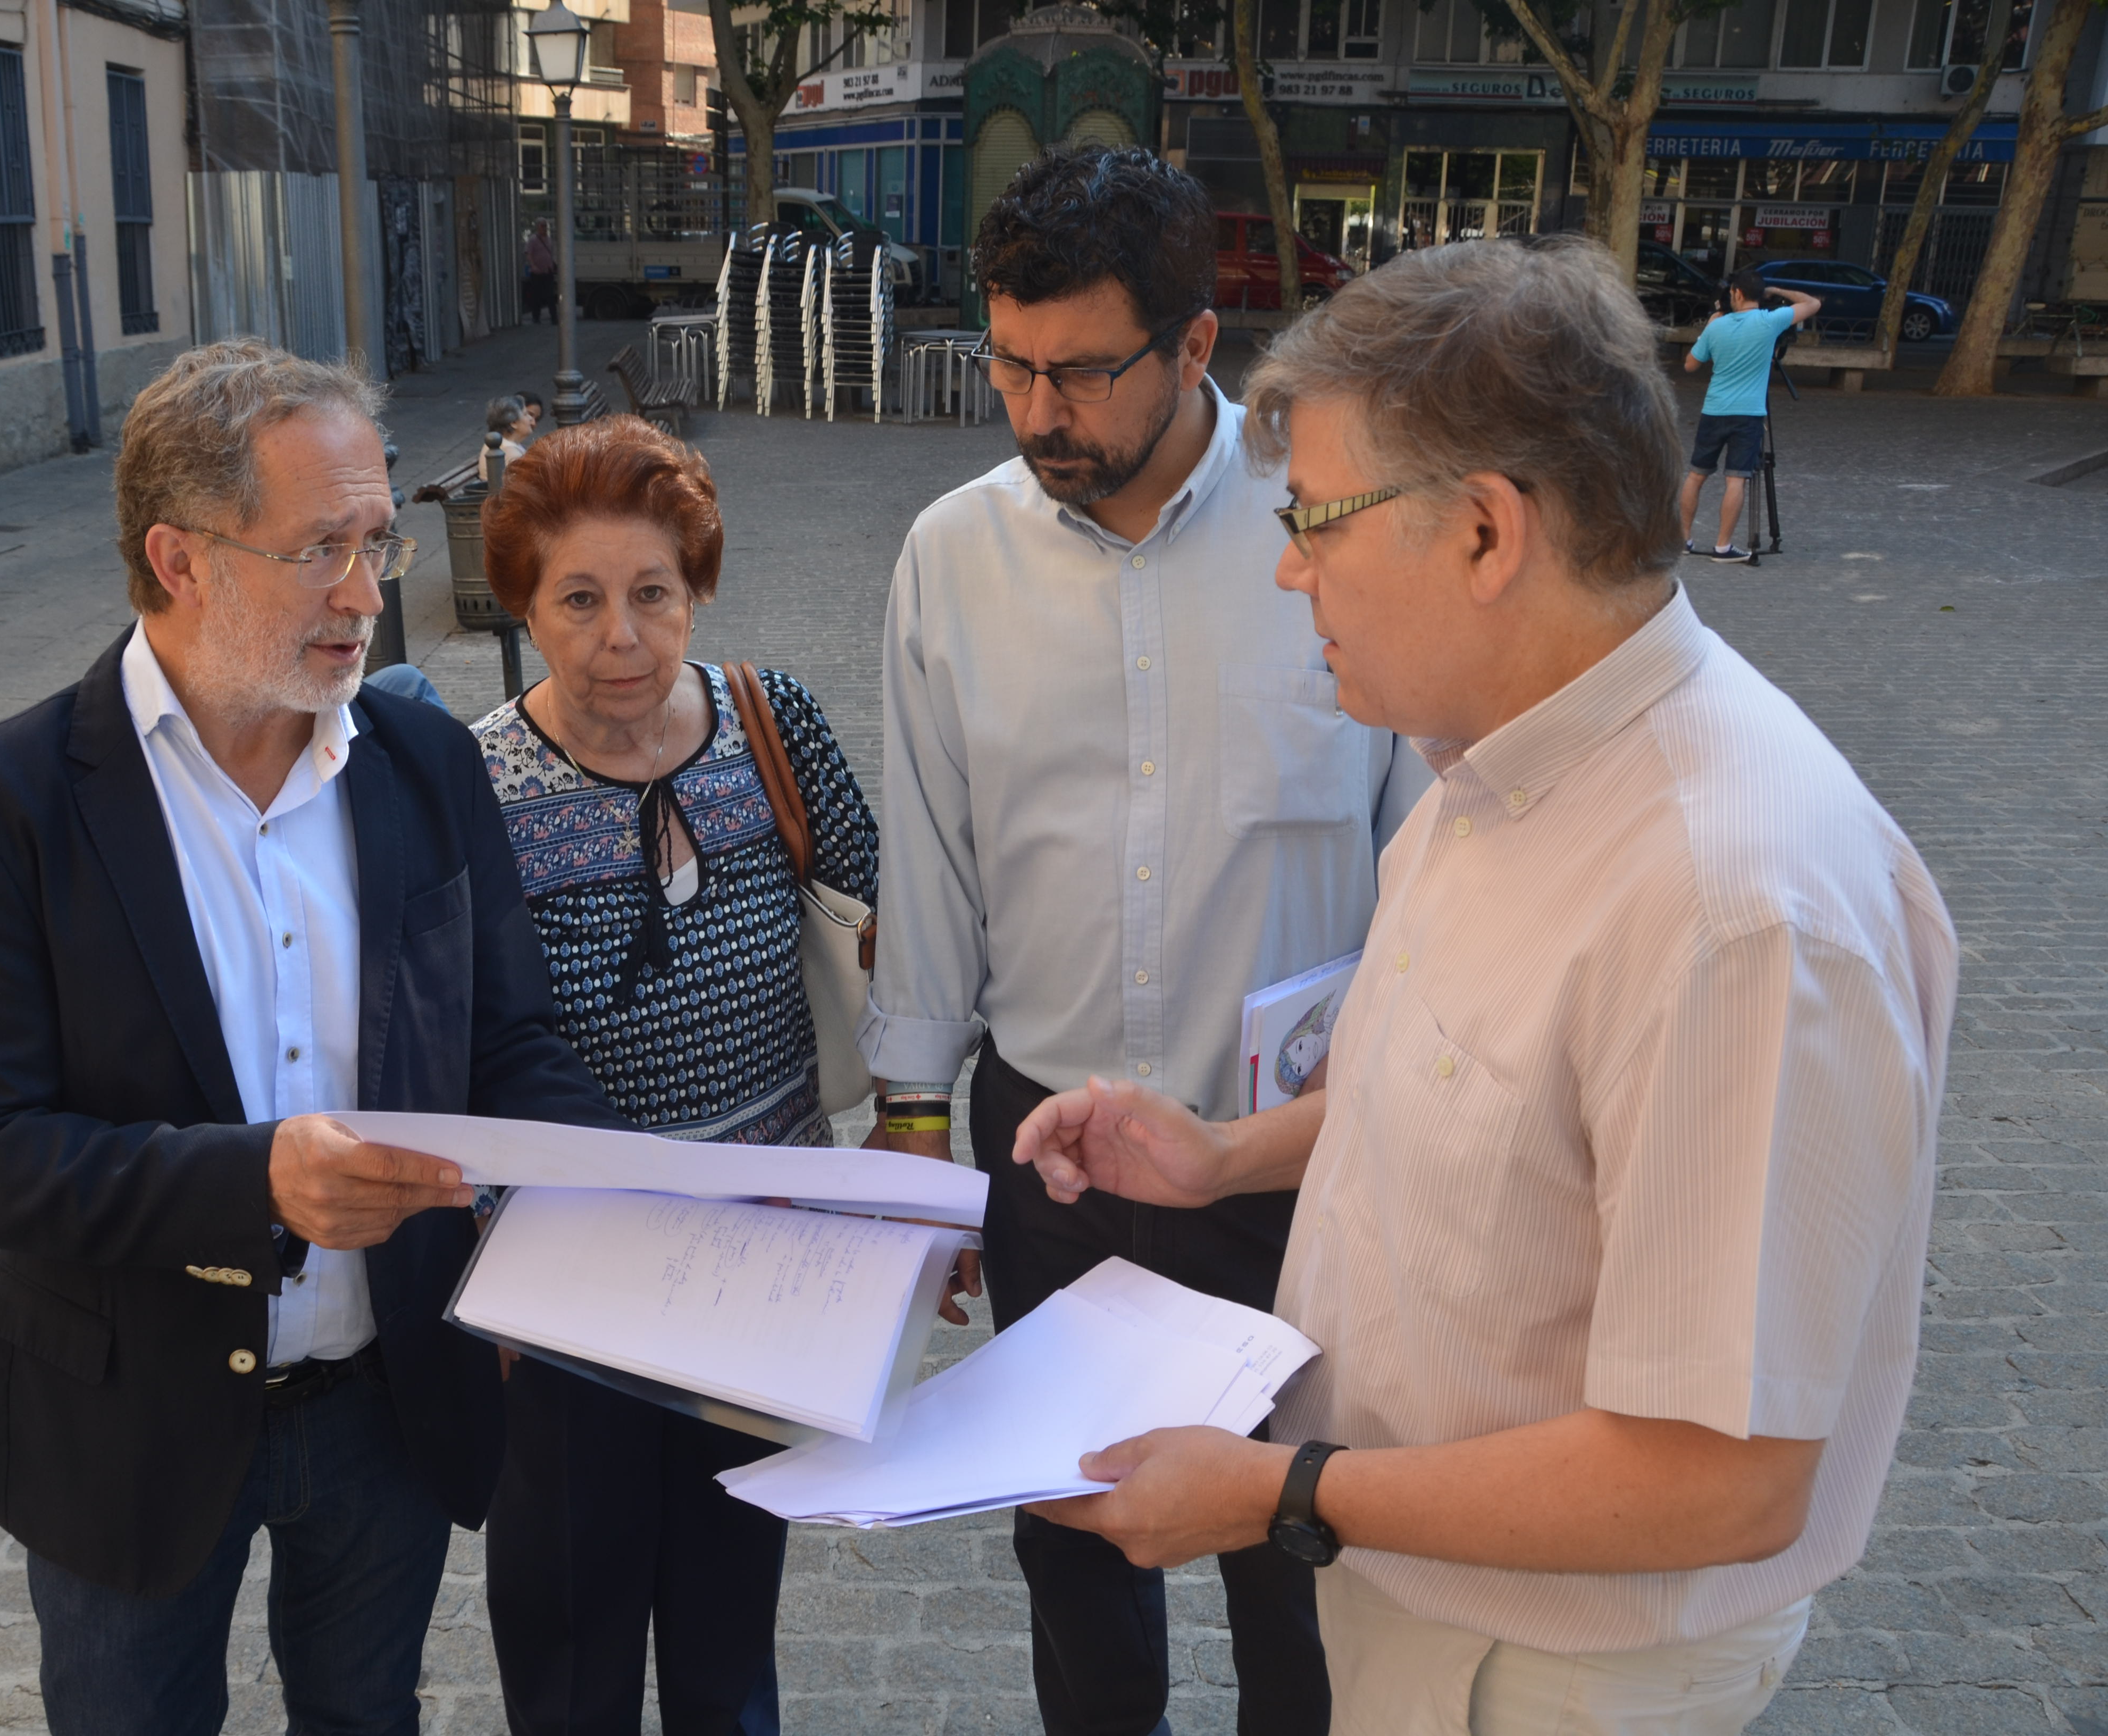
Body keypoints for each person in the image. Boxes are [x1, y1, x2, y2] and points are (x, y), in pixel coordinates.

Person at [1011, 235, 1957, 1734]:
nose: (1287, 567)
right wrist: (1225, 1158)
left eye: (1314, 518)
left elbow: (1723, 1478)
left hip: (1545, 1667)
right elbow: (1463, 1093)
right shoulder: (1492, 758)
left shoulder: (1733, 910)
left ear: (1485, 531)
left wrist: (1284, 1491)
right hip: (1430, 1600)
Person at [0, 339, 624, 1734]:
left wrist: (654, 1194)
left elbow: (508, 1045)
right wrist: (255, 1182)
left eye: (377, 539)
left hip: (388, 1402)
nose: (368, 593)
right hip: (126, 1416)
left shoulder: (426, 765)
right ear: (180, 560)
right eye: (319, 550)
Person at [859, 142, 1428, 1736]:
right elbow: (931, 854)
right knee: (1079, 1556)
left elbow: (1423, 856)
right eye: (1010, 365)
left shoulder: (1335, 531)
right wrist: (916, 1123)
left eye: (1083, 372)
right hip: (1049, 1158)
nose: (1039, 413)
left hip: (1293, 1160)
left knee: (1297, 1564)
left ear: (1196, 345)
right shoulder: (951, 555)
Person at [469, 415, 880, 1736]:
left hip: (760, 1267)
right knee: (571, 1648)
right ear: (526, 607)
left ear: (696, 586)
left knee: (725, 1640)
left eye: (653, 592)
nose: (623, 637)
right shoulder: (479, 781)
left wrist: (912, 1135)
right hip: (571, 1287)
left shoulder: (774, 723)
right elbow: (458, 1042)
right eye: (579, 600)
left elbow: (886, 923)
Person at [1677, 269, 1819, 562]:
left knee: (1696, 476)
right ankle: (1723, 547)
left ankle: (1682, 540)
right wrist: (1776, 291)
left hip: (1714, 410)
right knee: (1736, 481)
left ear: (1737, 293)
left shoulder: (1717, 326)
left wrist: (1709, 327)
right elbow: (1813, 303)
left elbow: (1690, 365)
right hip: (1749, 415)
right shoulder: (1770, 321)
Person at [487, 393, 539, 466]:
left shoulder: (497, 443)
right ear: (514, 423)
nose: (531, 418)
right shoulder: (513, 456)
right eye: (525, 414)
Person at [525, 221, 557, 324]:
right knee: (537, 296)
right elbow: (528, 254)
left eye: (545, 226)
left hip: (548, 271)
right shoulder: (533, 240)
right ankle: (536, 317)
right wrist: (533, 266)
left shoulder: (549, 240)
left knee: (550, 295)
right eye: (542, 226)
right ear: (538, 227)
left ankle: (554, 318)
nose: (545, 228)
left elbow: (551, 253)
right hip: (537, 273)